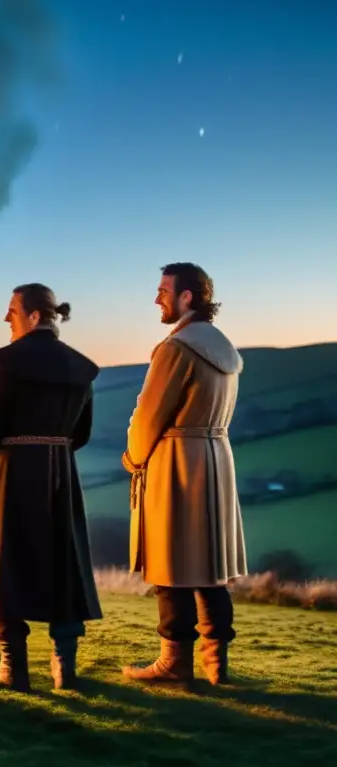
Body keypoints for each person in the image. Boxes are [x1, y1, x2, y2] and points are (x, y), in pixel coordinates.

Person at [0, 284, 102, 692]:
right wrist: (54, 449)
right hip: (61, 470)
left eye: (12, 310)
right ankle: (64, 669)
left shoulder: (6, 362)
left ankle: (13, 668)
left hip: (10, 472)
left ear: (36, 316)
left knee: (7, 566)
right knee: (65, 566)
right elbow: (83, 431)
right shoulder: (81, 366)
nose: (7, 318)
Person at [122, 263, 247, 686]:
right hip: (216, 457)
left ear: (187, 296)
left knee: (170, 560)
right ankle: (217, 666)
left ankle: (174, 662)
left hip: (177, 461)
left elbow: (148, 416)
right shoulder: (224, 347)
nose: (157, 298)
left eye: (163, 291)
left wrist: (134, 458)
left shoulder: (175, 348)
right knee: (211, 566)